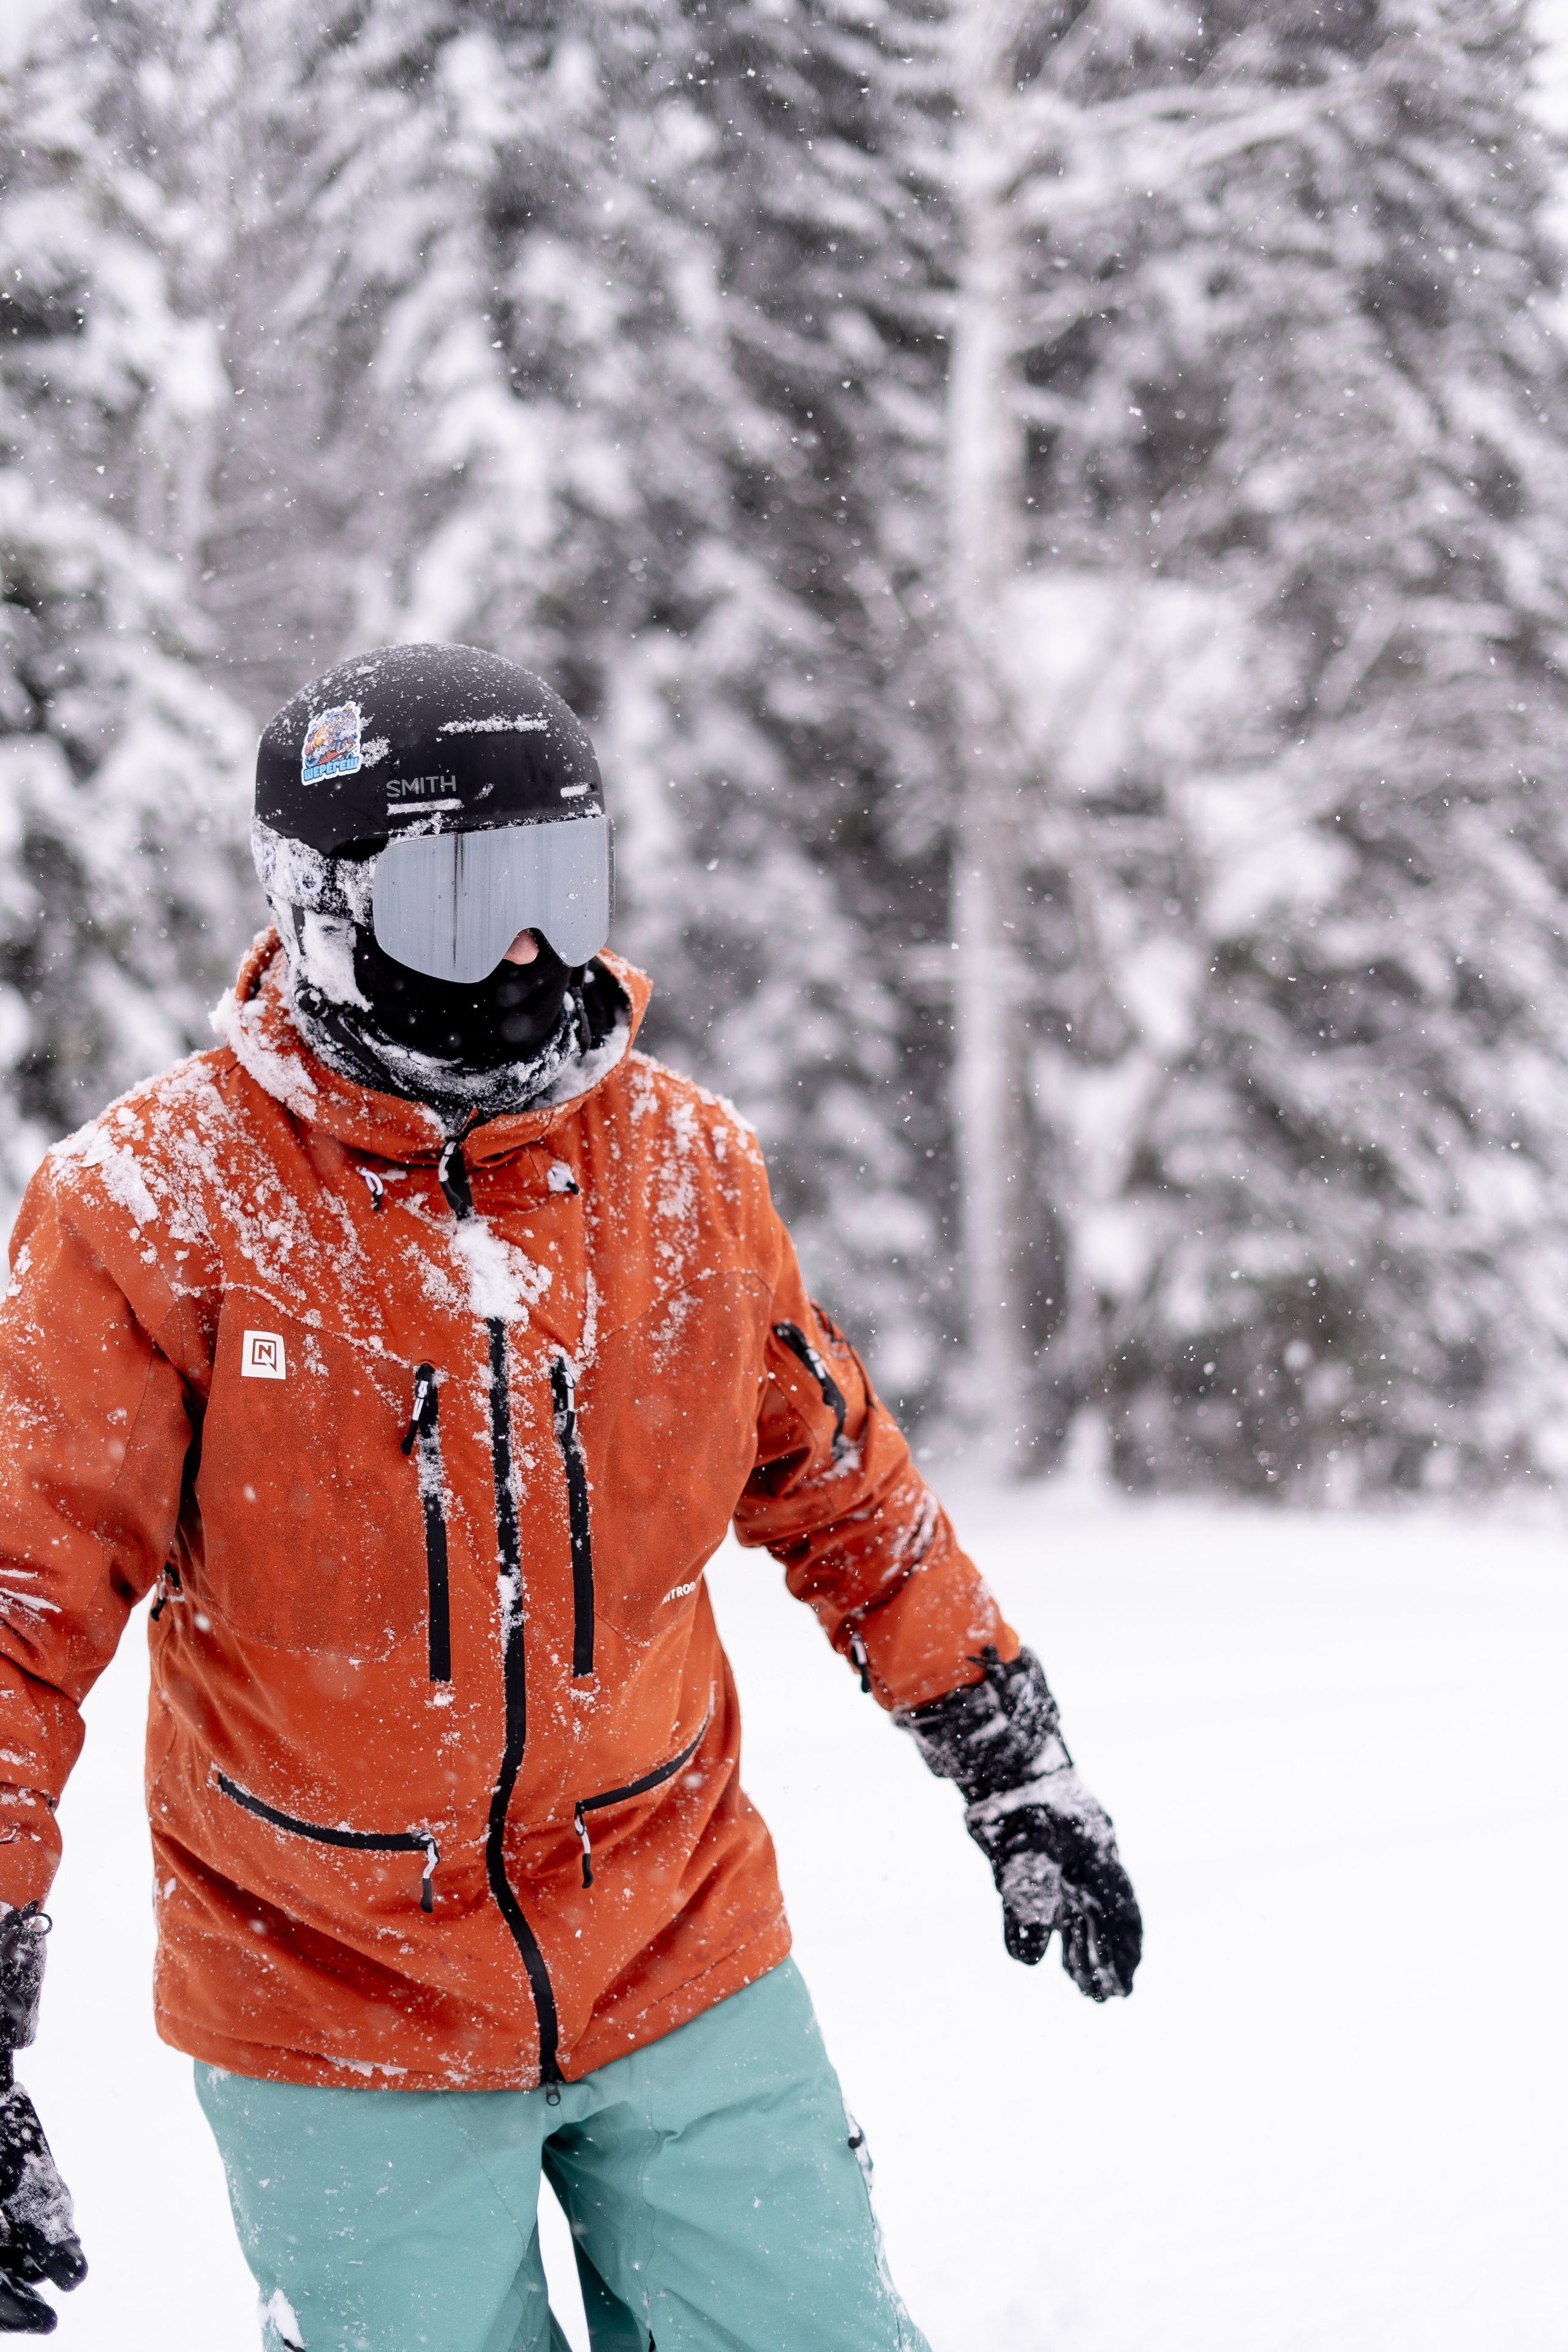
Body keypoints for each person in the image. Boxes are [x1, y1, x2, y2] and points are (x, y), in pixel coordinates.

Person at [0, 644, 1140, 2346]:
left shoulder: (683, 1169)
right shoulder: (156, 1206)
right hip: (332, 1996)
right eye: (464, 900)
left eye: (561, 885)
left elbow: (844, 1494)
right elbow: (19, 1608)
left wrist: (1013, 1761)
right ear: (323, 908)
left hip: (678, 1942)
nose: (530, 952)